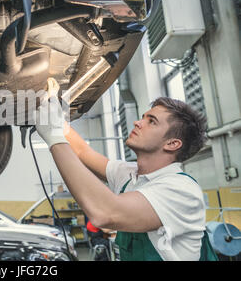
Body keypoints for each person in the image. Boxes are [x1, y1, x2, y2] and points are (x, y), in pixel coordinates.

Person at [35, 87, 218, 261]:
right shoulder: (128, 174)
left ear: (172, 144)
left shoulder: (181, 190)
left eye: (151, 121)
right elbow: (83, 152)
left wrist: (54, 137)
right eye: (143, 117)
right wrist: (56, 118)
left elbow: (104, 213)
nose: (137, 122)